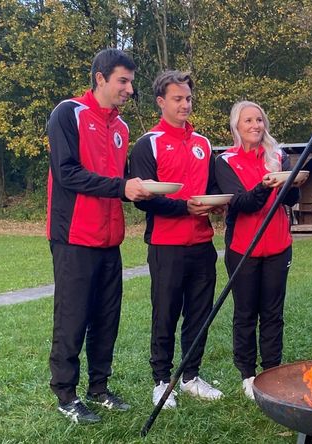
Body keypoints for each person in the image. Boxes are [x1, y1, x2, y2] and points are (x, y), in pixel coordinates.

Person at [46, 48, 153, 424]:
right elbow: (67, 174)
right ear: (100, 78)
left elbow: (117, 181)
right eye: (123, 80)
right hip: (73, 235)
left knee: (107, 317)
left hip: (110, 238)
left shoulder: (122, 127)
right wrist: (122, 188)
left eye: (131, 81)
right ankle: (65, 393)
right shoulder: (68, 113)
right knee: (72, 317)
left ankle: (99, 388)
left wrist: (135, 188)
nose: (129, 88)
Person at [129, 70, 224, 409]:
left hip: (202, 244)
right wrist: (185, 207)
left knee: (199, 313)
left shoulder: (203, 144)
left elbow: (213, 189)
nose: (185, 105)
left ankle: (190, 375)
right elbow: (144, 199)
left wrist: (215, 204)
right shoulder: (147, 143)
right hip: (166, 245)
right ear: (161, 101)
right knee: (165, 313)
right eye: (178, 99)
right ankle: (160, 379)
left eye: (188, 99)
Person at [215, 101, 305, 399]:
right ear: (236, 127)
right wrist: (267, 184)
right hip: (243, 248)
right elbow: (242, 203)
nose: (255, 125)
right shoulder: (225, 161)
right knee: (245, 312)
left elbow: (291, 199)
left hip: (279, 246)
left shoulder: (278, 156)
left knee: (272, 312)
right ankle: (247, 374)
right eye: (248, 121)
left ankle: (272, 370)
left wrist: (289, 183)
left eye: (259, 120)